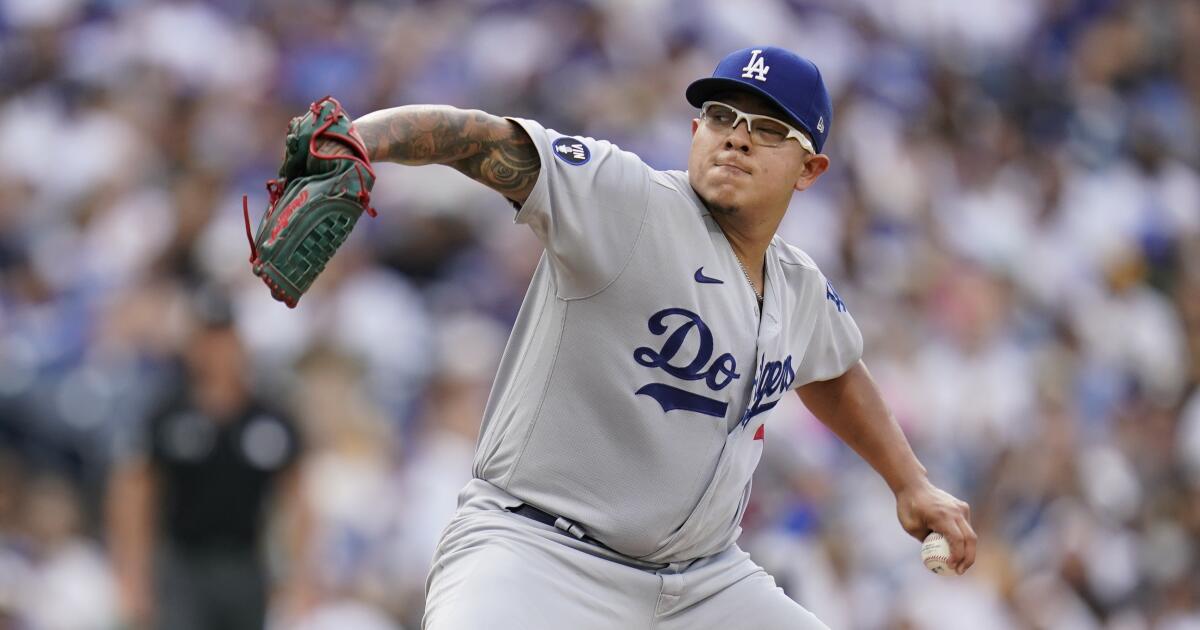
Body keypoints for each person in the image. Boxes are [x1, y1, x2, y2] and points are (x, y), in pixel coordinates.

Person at [337, 46, 976, 628]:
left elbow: (835, 370)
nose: (738, 140)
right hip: (539, 554)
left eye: (769, 129)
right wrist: (356, 140)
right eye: (723, 117)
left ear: (809, 169)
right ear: (696, 131)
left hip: (703, 586)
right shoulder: (628, 201)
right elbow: (478, 139)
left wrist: (910, 482)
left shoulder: (796, 284)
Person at [107, 290, 313, 630]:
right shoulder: (167, 413)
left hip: (245, 563)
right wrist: (132, 573)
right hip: (182, 563)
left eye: (223, 339)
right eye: (206, 339)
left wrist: (300, 575)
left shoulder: (270, 419)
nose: (215, 351)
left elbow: (297, 502)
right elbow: (133, 495)